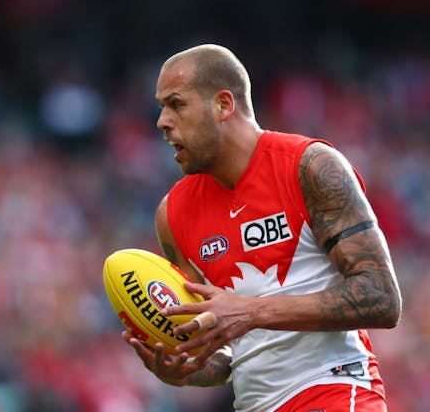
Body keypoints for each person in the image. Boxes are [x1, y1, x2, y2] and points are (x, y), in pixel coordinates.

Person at [121, 44, 402, 412]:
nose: (161, 121)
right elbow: (223, 352)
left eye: (176, 104)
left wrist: (252, 312)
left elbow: (381, 298)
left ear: (223, 104)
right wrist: (190, 370)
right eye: (161, 107)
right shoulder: (172, 214)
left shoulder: (311, 167)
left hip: (335, 389)